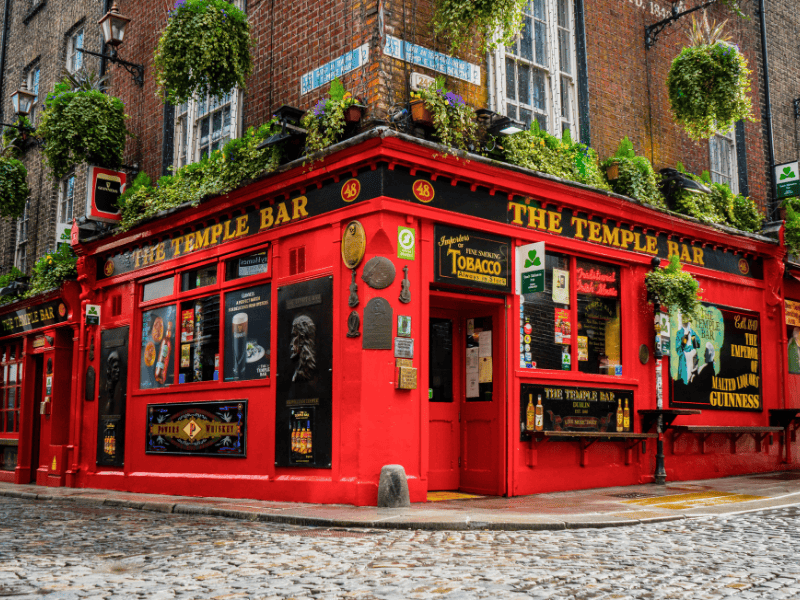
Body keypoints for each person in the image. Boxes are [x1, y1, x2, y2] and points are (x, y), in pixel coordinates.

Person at [675, 314, 701, 385]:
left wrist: (694, 341)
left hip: (693, 355)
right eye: (684, 318)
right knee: (684, 377)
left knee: (693, 376)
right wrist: (683, 342)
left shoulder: (692, 332)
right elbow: (678, 349)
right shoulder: (679, 333)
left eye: (687, 318)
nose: (685, 320)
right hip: (684, 357)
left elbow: (698, 344)